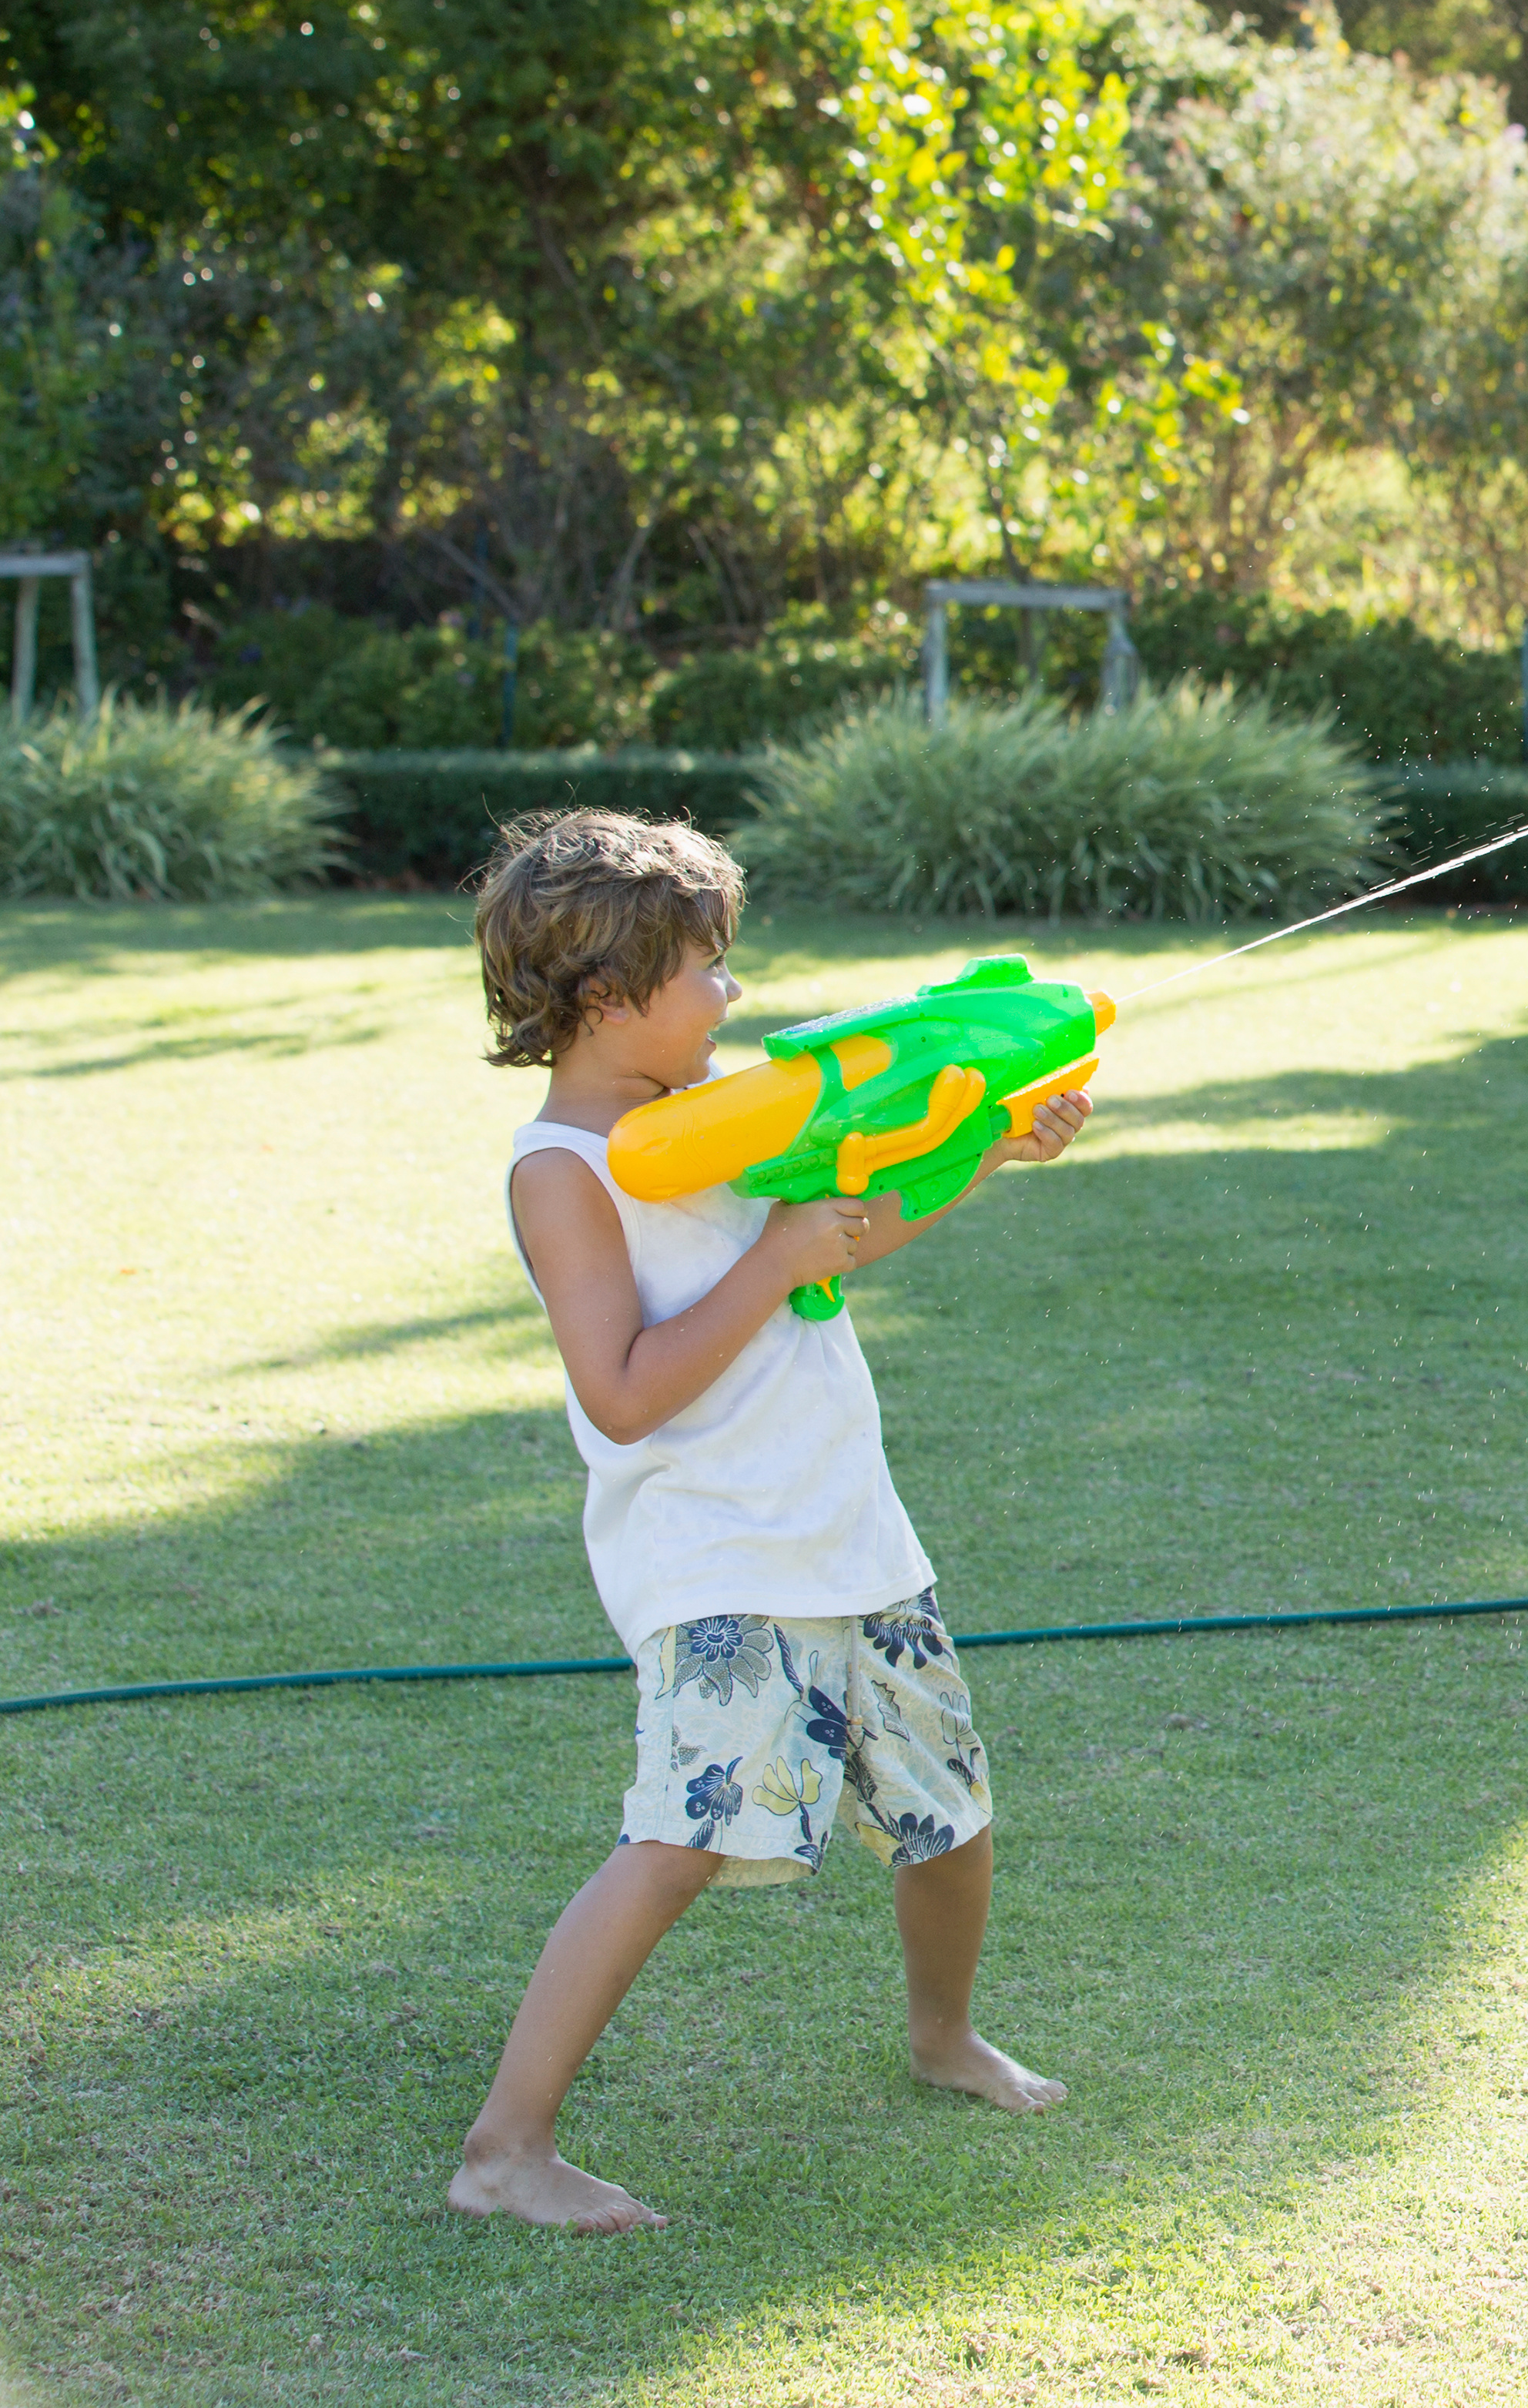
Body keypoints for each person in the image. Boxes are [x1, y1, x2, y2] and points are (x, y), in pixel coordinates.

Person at [450, 809, 1087, 2231]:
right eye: (708, 972)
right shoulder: (565, 1170)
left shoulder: (719, 1120)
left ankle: (942, 2037)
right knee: (680, 1838)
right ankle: (505, 2149)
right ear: (610, 996)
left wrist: (994, 1143)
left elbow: (843, 1236)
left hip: (846, 1523)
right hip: (715, 1553)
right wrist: (776, 1261)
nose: (731, 998)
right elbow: (621, 1393)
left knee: (951, 1819)